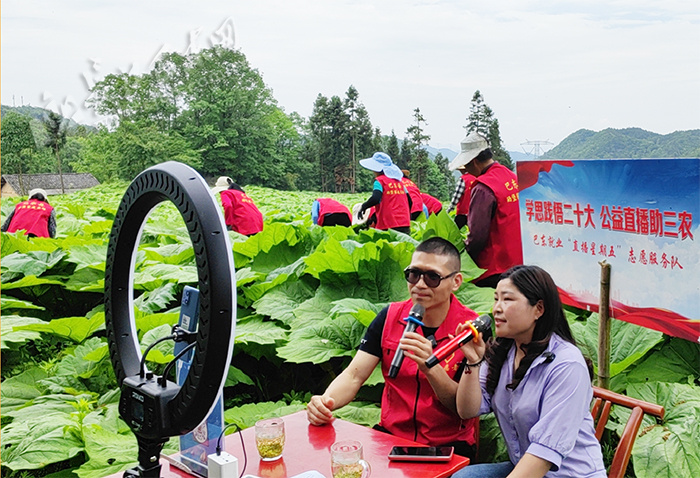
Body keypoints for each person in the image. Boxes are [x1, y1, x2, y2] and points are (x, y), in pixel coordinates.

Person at [307, 237, 480, 460]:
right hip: (391, 438)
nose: (419, 284)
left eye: (432, 277)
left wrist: (431, 366)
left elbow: (462, 408)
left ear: (456, 281)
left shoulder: (469, 331)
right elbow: (354, 376)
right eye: (413, 274)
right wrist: (324, 402)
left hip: (448, 445)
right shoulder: (389, 317)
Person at [452, 265, 606, 478]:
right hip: (523, 468)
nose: (496, 308)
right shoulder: (504, 351)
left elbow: (543, 456)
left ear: (538, 309)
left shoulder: (567, 365)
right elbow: (467, 410)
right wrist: (473, 361)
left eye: (507, 300)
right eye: (496, 299)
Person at [449, 132, 523, 288]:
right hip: (518, 260)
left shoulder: (483, 187)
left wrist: (463, 254)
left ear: (474, 162)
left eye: (467, 166)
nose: (467, 171)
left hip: (493, 268)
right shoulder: (511, 177)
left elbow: (477, 235)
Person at [357, 152, 411, 234]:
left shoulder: (380, 181)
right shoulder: (399, 182)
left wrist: (364, 207)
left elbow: (376, 198)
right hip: (405, 223)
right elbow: (410, 201)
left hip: (388, 224)